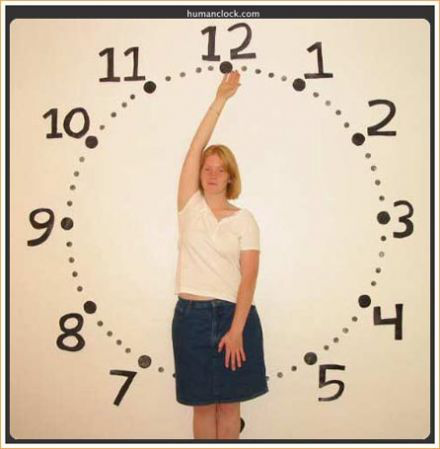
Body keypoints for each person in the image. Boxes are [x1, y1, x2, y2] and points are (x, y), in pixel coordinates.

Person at [172, 70, 268, 439]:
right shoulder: (189, 207)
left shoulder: (245, 220)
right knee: (202, 407)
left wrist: (237, 330)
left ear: (230, 176)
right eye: (207, 169)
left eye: (220, 170)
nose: (212, 174)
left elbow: (249, 279)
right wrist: (220, 100)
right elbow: (194, 147)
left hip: (233, 316)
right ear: (199, 174)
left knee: (229, 407)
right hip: (191, 318)